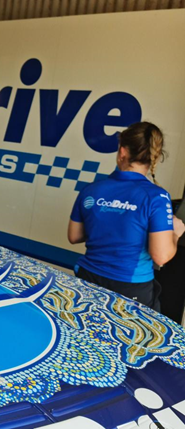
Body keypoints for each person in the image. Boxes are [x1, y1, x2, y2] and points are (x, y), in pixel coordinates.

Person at [68, 121, 185, 310]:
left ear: (122, 151)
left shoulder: (92, 189)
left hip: (87, 277)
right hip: (130, 287)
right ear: (154, 156)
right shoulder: (157, 196)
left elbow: (74, 236)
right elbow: (161, 256)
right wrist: (175, 233)